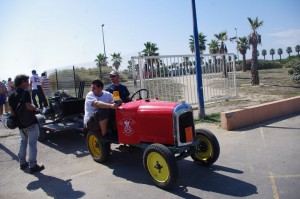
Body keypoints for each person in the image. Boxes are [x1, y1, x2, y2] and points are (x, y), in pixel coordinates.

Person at [8, 74, 45, 173]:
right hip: (30, 122)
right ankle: (33, 165)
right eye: (26, 81)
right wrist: (35, 109)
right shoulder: (25, 93)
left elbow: (12, 111)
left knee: (23, 141)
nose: (28, 83)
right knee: (32, 143)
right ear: (21, 82)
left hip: (20, 124)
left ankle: (22, 162)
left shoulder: (11, 94)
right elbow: (28, 107)